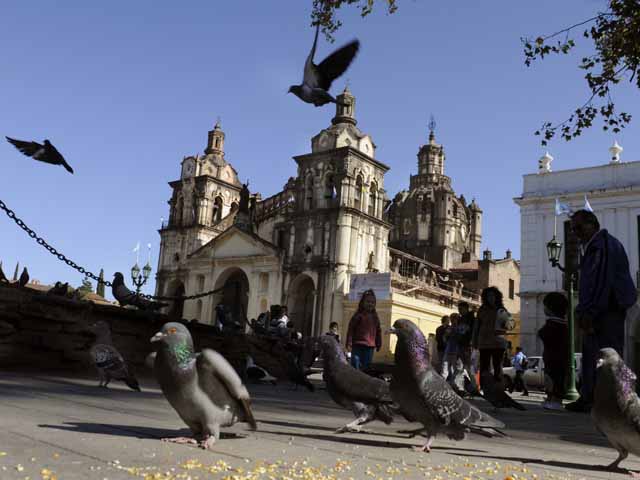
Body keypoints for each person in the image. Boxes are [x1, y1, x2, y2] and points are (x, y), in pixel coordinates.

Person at [566, 210, 637, 413]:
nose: (575, 233)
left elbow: (601, 282)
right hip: (604, 308)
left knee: (611, 357)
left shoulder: (601, 246)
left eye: (579, 227)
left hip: (607, 309)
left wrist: (589, 311)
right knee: (593, 354)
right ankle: (592, 397)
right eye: (572, 230)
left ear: (592, 224)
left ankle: (621, 398)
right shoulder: (596, 245)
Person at [473, 286, 513, 382]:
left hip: (498, 343)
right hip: (484, 342)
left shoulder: (502, 310)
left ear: (497, 297)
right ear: (485, 297)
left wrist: (506, 322)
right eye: (488, 295)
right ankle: (485, 387)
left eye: (493, 295)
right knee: (484, 367)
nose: (491, 297)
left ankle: (498, 387)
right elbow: (476, 327)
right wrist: (474, 340)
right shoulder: (481, 310)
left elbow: (510, 325)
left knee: (497, 367)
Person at [538, 291, 569, 411]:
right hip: (557, 357)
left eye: (545, 305)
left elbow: (544, 334)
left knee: (553, 379)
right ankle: (552, 398)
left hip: (553, 357)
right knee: (555, 378)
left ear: (551, 307)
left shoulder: (554, 323)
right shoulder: (562, 323)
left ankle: (556, 400)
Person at [346, 289, 382, 371]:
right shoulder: (358, 315)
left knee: (366, 367)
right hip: (357, 345)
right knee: (355, 365)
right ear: (363, 303)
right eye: (368, 302)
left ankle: (364, 381)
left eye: (372, 302)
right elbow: (351, 329)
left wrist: (378, 343)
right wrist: (349, 343)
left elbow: (378, 331)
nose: (370, 304)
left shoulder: (375, 317)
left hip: (369, 347)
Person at [442, 313, 461, 379]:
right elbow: (444, 338)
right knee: (445, 369)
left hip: (456, 352)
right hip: (448, 350)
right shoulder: (449, 328)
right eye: (451, 319)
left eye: (454, 319)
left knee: (454, 369)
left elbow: (461, 339)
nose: (452, 321)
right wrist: (446, 337)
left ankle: (454, 384)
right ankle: (443, 383)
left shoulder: (460, 328)